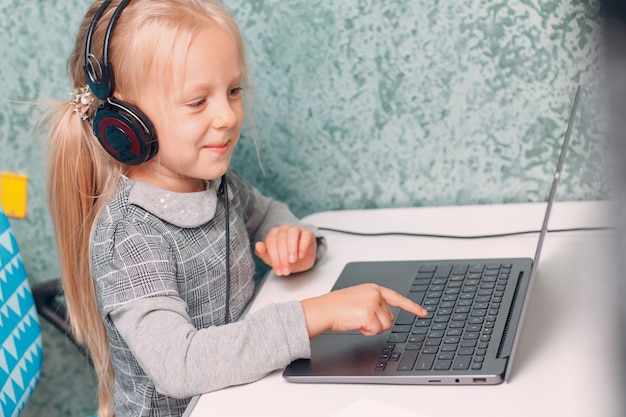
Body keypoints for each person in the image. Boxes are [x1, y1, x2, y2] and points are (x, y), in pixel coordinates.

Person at [44, 0, 428, 416]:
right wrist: (315, 315)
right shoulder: (130, 236)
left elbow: (267, 215)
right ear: (126, 119)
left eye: (232, 91)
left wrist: (291, 239)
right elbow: (181, 365)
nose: (227, 116)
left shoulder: (215, 185)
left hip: (244, 397)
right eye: (197, 102)